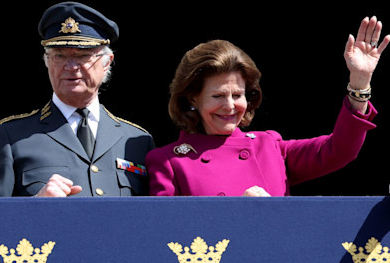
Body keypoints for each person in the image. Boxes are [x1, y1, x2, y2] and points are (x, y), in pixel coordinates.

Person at [146, 16, 386, 197]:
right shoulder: (167, 161)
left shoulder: (268, 147)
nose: (230, 106)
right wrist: (236, 213)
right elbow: (169, 233)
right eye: (218, 95)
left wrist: (359, 83)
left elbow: (340, 149)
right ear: (192, 99)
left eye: (238, 95)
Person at [0, 1, 155, 197]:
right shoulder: (10, 136)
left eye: (83, 55)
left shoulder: (137, 140)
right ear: (47, 62)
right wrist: (34, 207)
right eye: (59, 55)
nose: (70, 66)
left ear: (106, 63)